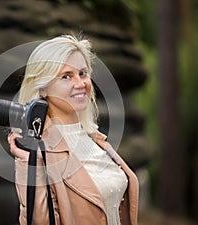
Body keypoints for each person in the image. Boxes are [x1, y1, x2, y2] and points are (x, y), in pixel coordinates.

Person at [8, 34, 139, 225]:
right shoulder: (38, 151)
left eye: (83, 73)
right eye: (66, 76)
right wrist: (27, 164)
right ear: (43, 88)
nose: (80, 84)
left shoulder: (95, 139)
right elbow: (39, 221)